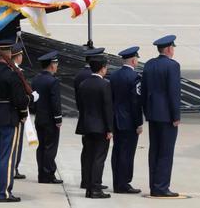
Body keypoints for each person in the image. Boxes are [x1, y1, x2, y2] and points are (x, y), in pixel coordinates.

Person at [0, 40, 30, 202]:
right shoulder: (12, 74)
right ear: (9, 54)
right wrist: (23, 112)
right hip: (9, 116)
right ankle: (4, 193)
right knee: (7, 156)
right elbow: (20, 101)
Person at [142, 35, 181, 197]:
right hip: (166, 115)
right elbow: (173, 93)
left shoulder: (150, 64)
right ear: (169, 49)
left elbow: (144, 91)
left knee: (155, 151)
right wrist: (176, 115)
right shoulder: (172, 66)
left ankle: (154, 185)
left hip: (153, 114)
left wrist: (147, 111)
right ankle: (161, 187)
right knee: (166, 152)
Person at [75, 54, 113, 199]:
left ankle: (89, 188)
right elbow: (107, 108)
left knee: (89, 157)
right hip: (101, 127)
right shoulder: (105, 84)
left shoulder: (83, 84)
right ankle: (96, 188)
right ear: (102, 68)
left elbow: (81, 106)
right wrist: (110, 129)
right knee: (99, 158)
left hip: (86, 126)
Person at [110, 46, 143, 194]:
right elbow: (135, 102)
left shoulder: (114, 75)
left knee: (117, 152)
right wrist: (139, 123)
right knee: (127, 153)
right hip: (129, 121)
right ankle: (124, 183)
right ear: (134, 60)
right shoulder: (134, 77)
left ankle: (117, 181)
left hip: (115, 119)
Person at [32, 51, 64, 184]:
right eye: (56, 63)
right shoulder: (53, 81)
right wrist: (58, 119)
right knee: (50, 147)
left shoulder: (36, 79)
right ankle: (48, 174)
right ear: (51, 65)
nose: (57, 66)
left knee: (41, 147)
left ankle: (41, 173)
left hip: (39, 118)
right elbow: (55, 102)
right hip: (50, 120)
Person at [11, 43, 26, 180]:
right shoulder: (17, 72)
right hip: (16, 113)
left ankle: (14, 166)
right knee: (16, 142)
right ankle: (14, 167)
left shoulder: (16, 70)